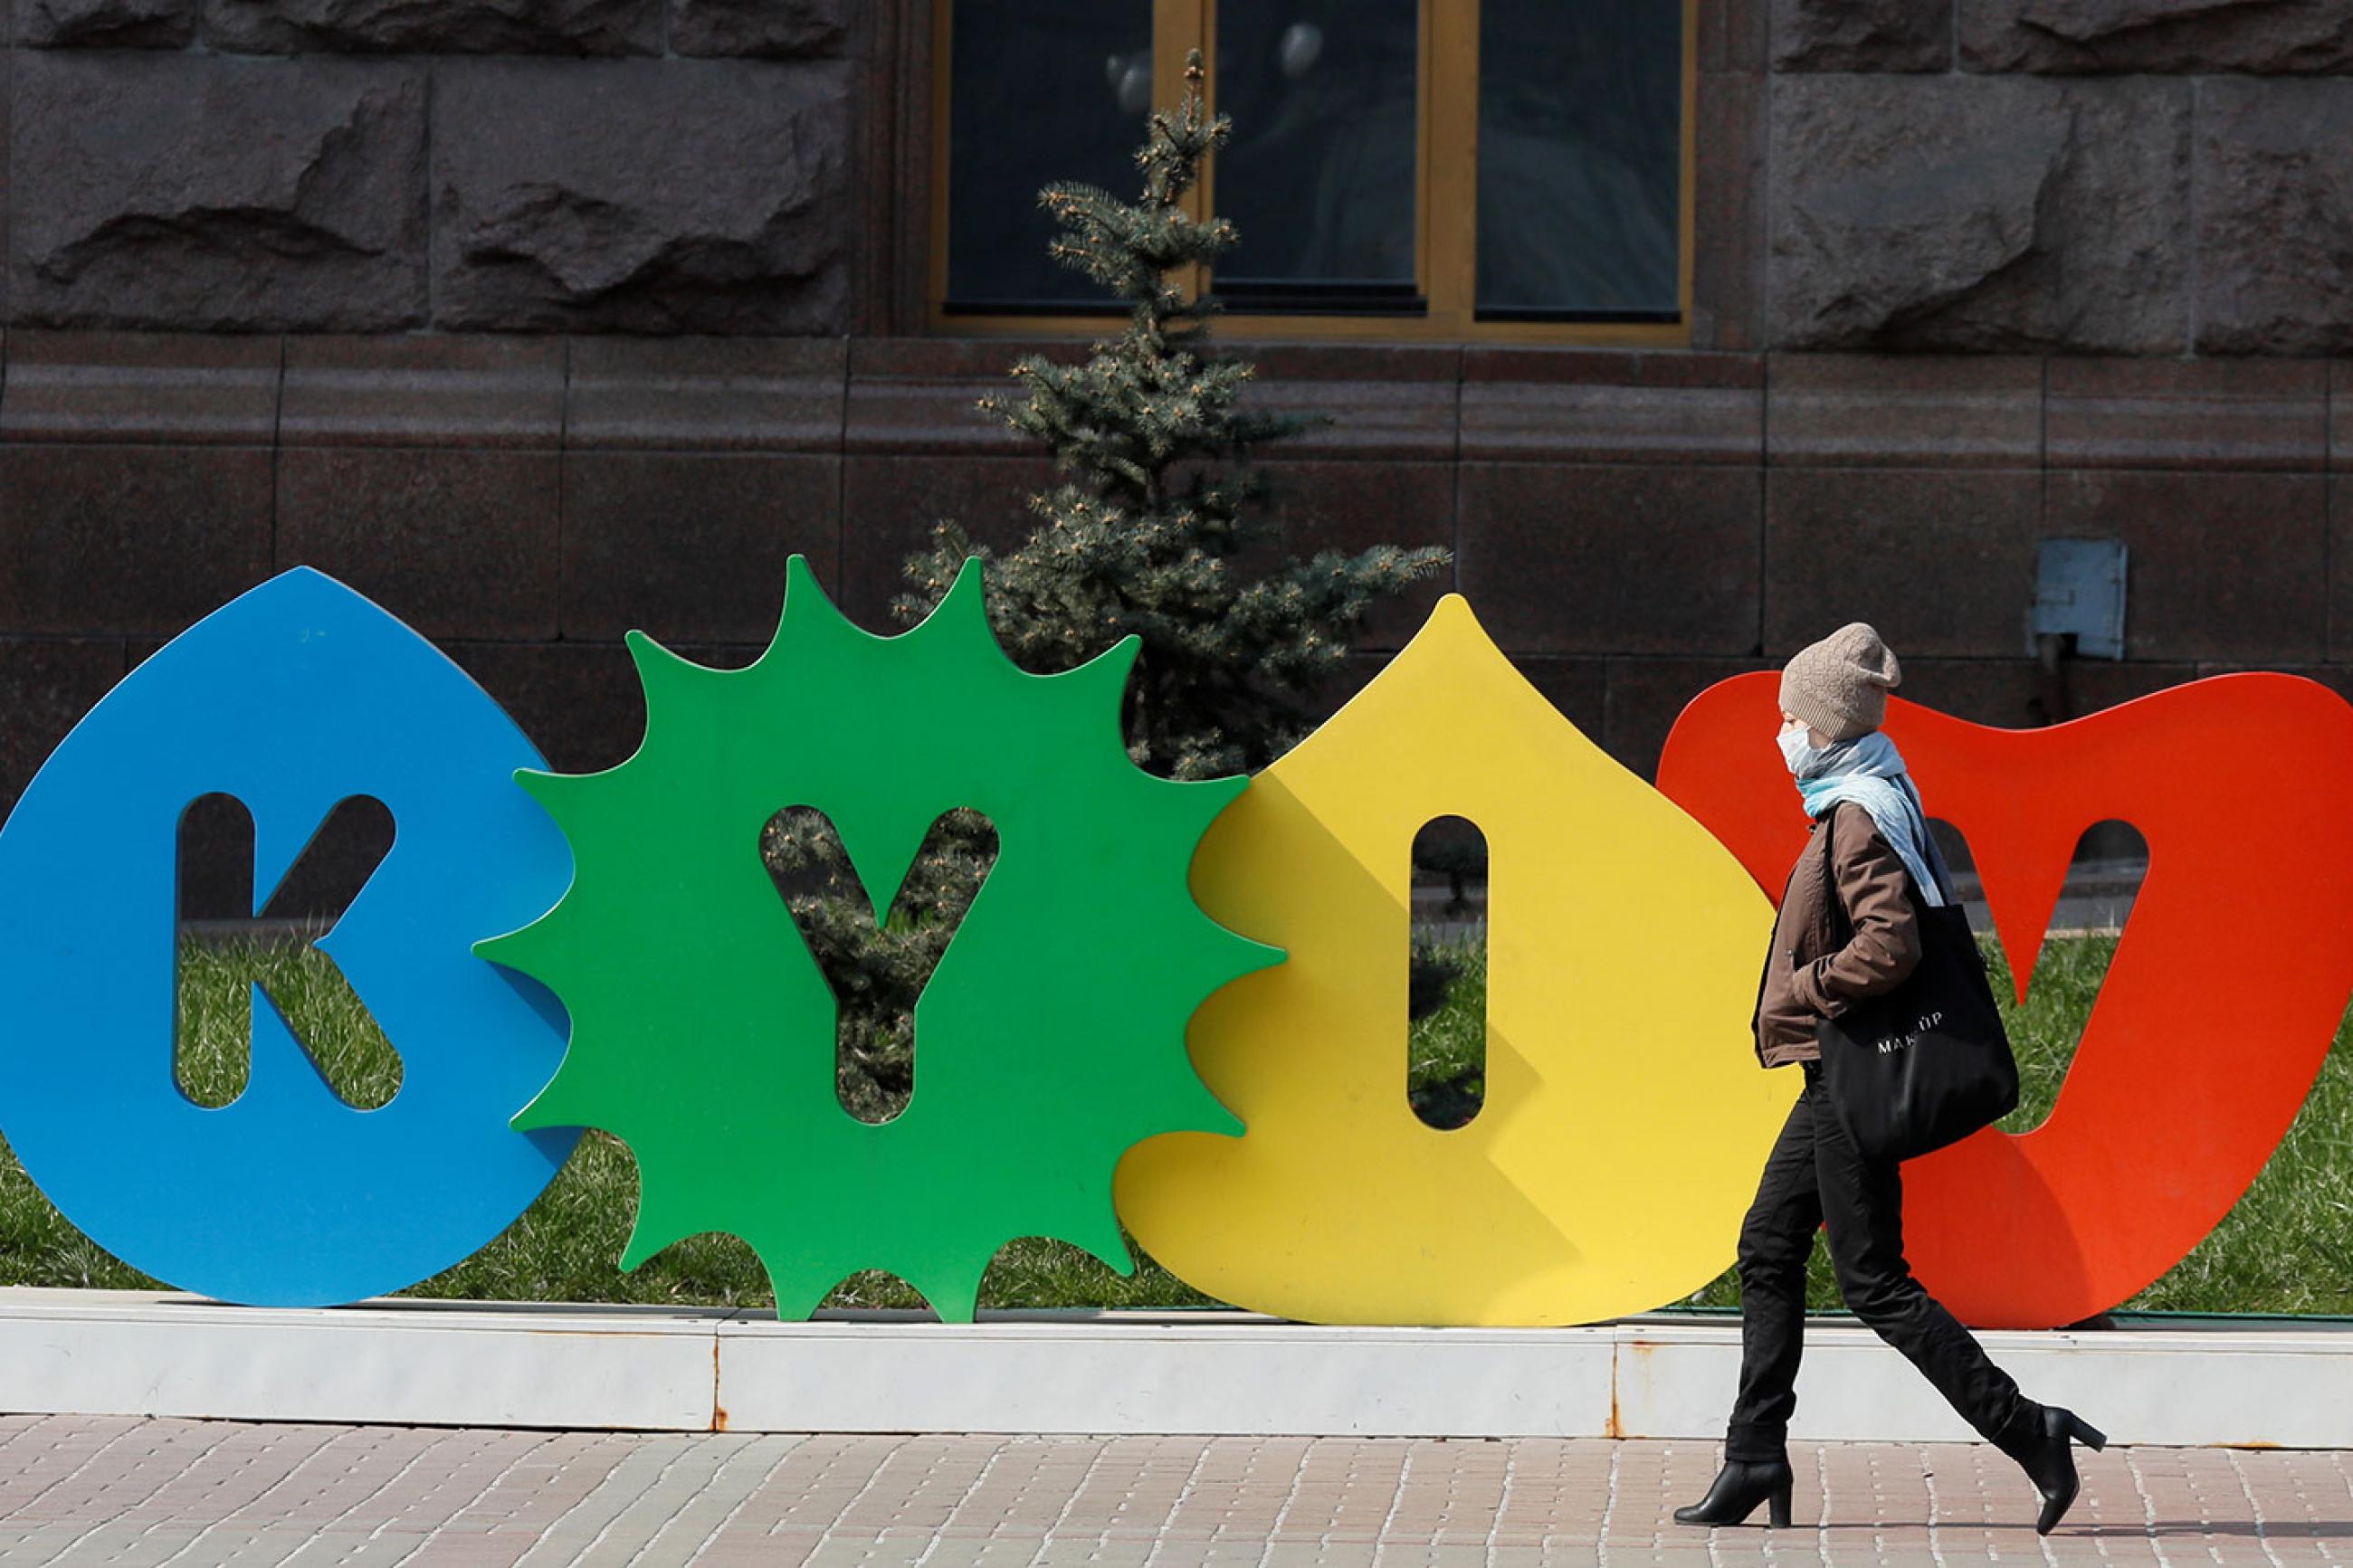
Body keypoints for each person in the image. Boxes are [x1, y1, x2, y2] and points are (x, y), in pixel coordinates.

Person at [1672, 623, 2106, 1535]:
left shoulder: (1858, 811)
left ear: (1821, 724)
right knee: (1767, 1245)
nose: (1779, 729)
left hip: (1847, 1074)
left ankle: (2029, 1429)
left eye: (1787, 715)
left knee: (1872, 1279)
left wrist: (1805, 989)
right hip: (1834, 1074)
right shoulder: (1863, 793)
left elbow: (1889, 944)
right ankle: (1753, 1454)